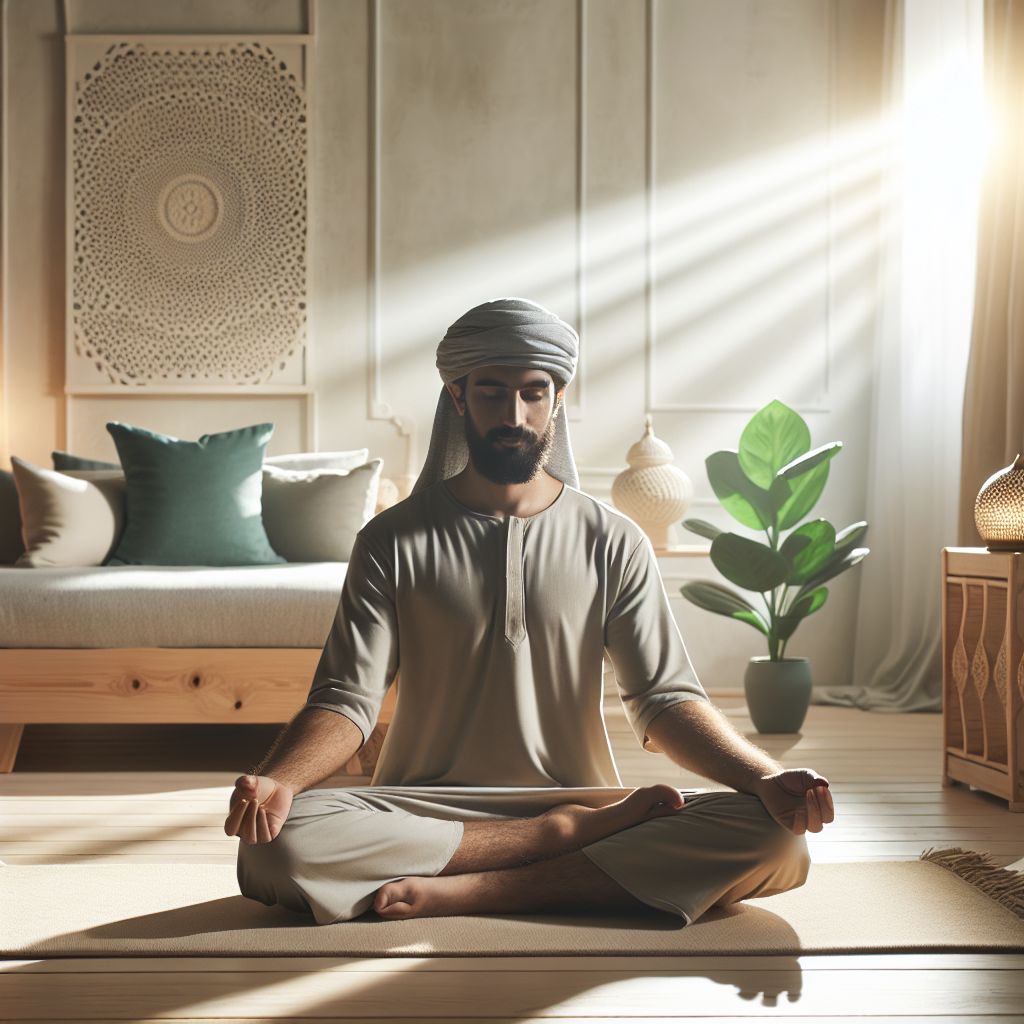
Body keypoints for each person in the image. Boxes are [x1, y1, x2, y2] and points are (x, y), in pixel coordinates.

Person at [226, 297, 834, 926]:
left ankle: (480, 890)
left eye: (533, 393)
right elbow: (347, 700)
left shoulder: (614, 539)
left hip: (591, 802)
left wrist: (765, 778)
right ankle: (552, 841)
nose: (513, 415)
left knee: (775, 838)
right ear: (458, 398)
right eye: (491, 393)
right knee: (274, 845)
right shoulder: (390, 540)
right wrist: (280, 781)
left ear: (558, 398)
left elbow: (664, 700)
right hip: (422, 811)